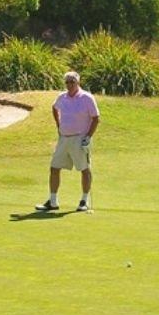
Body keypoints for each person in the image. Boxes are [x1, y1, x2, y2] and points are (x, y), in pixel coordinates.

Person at [43, 69, 99, 213]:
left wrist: (88, 136)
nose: (69, 85)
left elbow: (96, 118)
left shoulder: (87, 97)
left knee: (84, 169)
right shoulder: (62, 97)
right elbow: (54, 108)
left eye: (72, 82)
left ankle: (83, 201)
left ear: (78, 82)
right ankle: (53, 201)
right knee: (54, 168)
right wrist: (59, 125)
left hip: (80, 139)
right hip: (64, 139)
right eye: (67, 82)